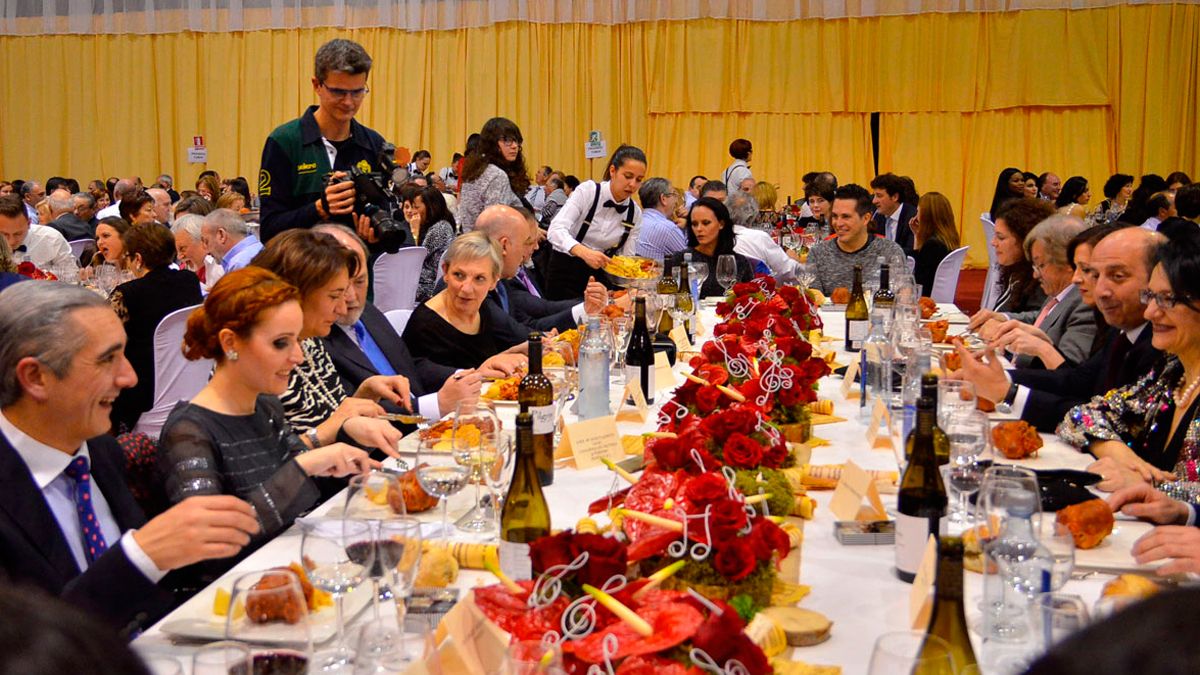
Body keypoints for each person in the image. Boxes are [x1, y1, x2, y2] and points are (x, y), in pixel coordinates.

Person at [0, 282, 260, 635]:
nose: (129, 377)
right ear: (35, 377)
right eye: (108, 359)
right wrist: (139, 557)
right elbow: (25, 649)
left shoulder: (100, 452)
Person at [158, 268, 378, 581]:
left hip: (291, 569)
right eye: (280, 343)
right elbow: (215, 548)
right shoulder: (189, 433)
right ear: (230, 342)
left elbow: (295, 490)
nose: (298, 357)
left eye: (297, 340)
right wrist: (306, 466)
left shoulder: (265, 406)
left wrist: (330, 455)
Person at [952, 226, 1164, 432]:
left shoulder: (1158, 344)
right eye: (1096, 275)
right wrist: (1000, 380)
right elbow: (1079, 380)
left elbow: (1112, 422)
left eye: (1117, 276)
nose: (1100, 290)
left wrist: (1009, 392)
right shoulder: (1123, 330)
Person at [316, 224, 521, 421]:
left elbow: (412, 367)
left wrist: (474, 374)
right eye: (338, 288)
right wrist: (437, 403)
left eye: (359, 281)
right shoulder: (314, 341)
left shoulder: (367, 313)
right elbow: (343, 418)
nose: (350, 296)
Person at [1059, 227, 1200, 491]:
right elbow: (1081, 416)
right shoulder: (1172, 373)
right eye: (1151, 296)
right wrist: (1122, 456)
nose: (1150, 313)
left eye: (1167, 299)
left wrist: (1152, 485)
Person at [249, 230, 409, 453]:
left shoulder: (310, 340)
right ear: (295, 292)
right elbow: (262, 472)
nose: (343, 308)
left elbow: (335, 418)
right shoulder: (254, 359)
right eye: (334, 296)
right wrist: (325, 433)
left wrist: (364, 395)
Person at [258, 39, 393, 249]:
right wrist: (319, 209)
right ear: (317, 85)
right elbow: (269, 230)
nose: (349, 102)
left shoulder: (373, 144)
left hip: (355, 276)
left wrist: (374, 237)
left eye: (358, 92)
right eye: (338, 92)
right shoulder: (284, 142)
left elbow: (387, 228)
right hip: (301, 276)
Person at [107, 224, 203, 433]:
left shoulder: (127, 294)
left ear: (138, 259)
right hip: (188, 384)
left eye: (128, 257)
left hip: (141, 394)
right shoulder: (190, 280)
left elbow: (102, 341)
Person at [402, 231, 529, 369]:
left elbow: (481, 363)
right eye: (459, 275)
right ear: (445, 272)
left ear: (494, 281)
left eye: (479, 278)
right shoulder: (425, 325)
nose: (467, 289)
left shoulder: (482, 308)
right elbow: (426, 383)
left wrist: (510, 353)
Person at [988, 215, 1096, 369]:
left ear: (1067, 262)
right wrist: (1003, 318)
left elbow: (1067, 374)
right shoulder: (1061, 293)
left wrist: (1007, 381)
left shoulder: (1084, 304)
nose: (1035, 274)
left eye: (1041, 265)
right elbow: (1043, 319)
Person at [479, 205, 609, 333]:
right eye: (527, 242)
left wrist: (589, 306)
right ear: (504, 245)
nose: (535, 247)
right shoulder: (485, 288)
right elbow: (515, 333)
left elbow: (527, 325)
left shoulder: (504, 279)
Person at [545, 144, 646, 300]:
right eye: (628, 176)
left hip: (600, 280)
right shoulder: (588, 192)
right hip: (564, 272)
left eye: (639, 180)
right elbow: (555, 230)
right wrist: (584, 252)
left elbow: (626, 257)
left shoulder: (635, 214)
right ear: (613, 171)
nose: (633, 184)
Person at [969, 197, 1055, 328]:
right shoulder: (1017, 271)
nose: (993, 243)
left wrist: (1004, 318)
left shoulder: (1041, 278)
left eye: (1001, 237)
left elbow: (1044, 318)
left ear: (1024, 240)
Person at [806, 184, 906, 295]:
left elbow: (904, 298)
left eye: (846, 217)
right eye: (834, 216)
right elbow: (813, 301)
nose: (838, 223)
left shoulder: (890, 252)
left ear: (866, 218)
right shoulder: (818, 253)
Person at [667, 197, 754, 298]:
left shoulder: (739, 262)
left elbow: (750, 300)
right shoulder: (681, 260)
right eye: (694, 224)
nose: (699, 229)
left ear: (721, 224)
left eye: (706, 223)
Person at [456, 117, 532, 232]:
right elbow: (494, 225)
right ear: (492, 144)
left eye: (516, 141)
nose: (514, 146)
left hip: (472, 241)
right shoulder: (496, 175)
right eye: (507, 140)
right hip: (488, 244)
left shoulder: (476, 170)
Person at [725, 190, 803, 281]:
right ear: (753, 216)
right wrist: (795, 261)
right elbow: (786, 271)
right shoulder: (758, 237)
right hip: (757, 290)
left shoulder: (717, 236)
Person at [401, 185, 457, 303]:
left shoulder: (440, 228)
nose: (411, 211)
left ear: (431, 207)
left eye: (416, 207)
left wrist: (414, 233)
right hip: (422, 280)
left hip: (429, 286)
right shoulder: (434, 225)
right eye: (408, 207)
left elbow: (414, 261)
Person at [0, 194, 74, 271]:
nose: (11, 241)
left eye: (18, 234)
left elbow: (70, 274)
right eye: (4, 234)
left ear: (29, 223)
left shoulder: (51, 238)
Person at [907, 191, 959, 297]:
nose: (916, 217)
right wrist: (917, 235)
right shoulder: (949, 239)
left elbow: (917, 280)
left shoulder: (932, 246)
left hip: (925, 298)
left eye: (918, 212)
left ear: (926, 216)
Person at [634, 177, 687, 261]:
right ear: (663, 199)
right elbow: (689, 261)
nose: (676, 201)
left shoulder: (636, 220)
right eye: (674, 194)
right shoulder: (668, 229)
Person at [172, 214, 224, 292]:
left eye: (182, 249)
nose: (179, 257)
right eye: (176, 251)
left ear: (203, 242)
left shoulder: (223, 268)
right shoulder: (183, 271)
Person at [202, 208, 263, 274]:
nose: (206, 250)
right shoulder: (258, 247)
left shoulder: (239, 264)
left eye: (206, 241)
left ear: (221, 235)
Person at [869, 173, 917, 256]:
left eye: (879, 196)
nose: (874, 201)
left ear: (894, 197)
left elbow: (911, 251)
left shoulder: (912, 217)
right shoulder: (878, 217)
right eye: (874, 196)